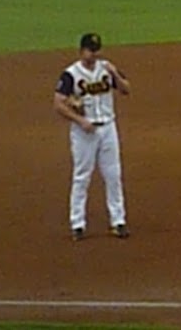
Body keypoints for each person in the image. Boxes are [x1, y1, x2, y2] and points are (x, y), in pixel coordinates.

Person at [54, 32, 132, 241]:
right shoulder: (71, 74)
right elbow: (58, 103)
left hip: (108, 128)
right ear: (81, 51)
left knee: (113, 175)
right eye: (90, 50)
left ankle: (118, 221)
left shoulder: (106, 68)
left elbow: (126, 89)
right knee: (82, 176)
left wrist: (115, 74)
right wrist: (80, 120)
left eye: (97, 50)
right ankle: (77, 223)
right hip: (84, 133)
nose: (94, 54)